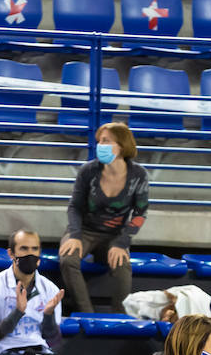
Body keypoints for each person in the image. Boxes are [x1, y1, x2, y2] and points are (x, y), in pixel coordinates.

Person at [0, 229, 97, 355]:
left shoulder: (50, 289)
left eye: (35, 249)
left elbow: (53, 342)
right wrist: (17, 313)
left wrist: (48, 316)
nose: (30, 254)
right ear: (11, 253)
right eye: (24, 249)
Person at [60, 122, 149, 313]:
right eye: (99, 141)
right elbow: (74, 207)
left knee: (123, 267)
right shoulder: (88, 171)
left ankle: (120, 317)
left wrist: (122, 242)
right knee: (68, 259)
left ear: (121, 146)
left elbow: (140, 213)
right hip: (84, 230)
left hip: (114, 235)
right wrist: (74, 234)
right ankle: (86, 313)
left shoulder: (138, 175)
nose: (100, 145)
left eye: (106, 141)